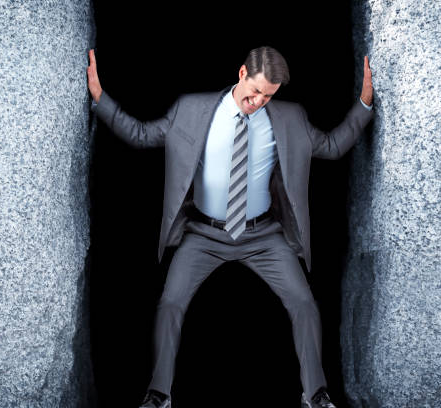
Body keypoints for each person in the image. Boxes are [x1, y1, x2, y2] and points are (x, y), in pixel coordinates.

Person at [87, 46, 373, 408]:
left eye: (268, 96)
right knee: (170, 304)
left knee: (304, 303)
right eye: (255, 91)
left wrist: (364, 104)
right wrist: (100, 97)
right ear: (241, 73)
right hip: (204, 235)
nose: (258, 102)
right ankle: (158, 394)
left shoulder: (289, 117)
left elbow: (331, 146)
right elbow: (142, 135)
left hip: (263, 236)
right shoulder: (192, 110)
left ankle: (316, 395)